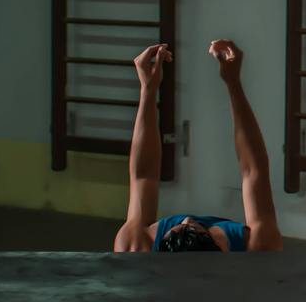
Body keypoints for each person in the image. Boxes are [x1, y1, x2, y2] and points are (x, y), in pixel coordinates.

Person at [112, 39, 283, 252]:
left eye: (178, 227)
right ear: (216, 245)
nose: (186, 220)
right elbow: (253, 170)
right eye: (193, 227)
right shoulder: (259, 245)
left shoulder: (135, 243)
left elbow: (144, 175)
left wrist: (148, 90)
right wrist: (233, 83)